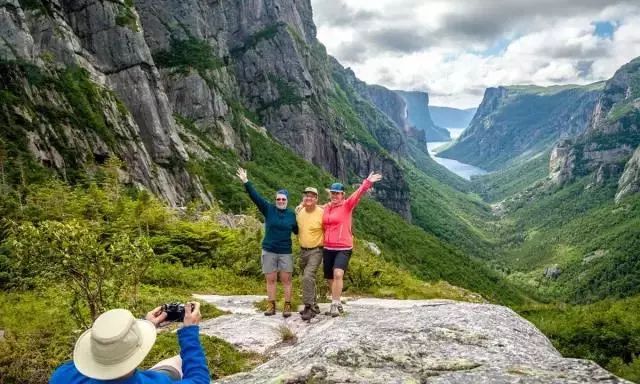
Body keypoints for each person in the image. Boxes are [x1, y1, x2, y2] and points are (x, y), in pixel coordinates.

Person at [49, 302, 209, 383]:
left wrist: (148, 325)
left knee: (167, 368)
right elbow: (199, 380)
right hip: (150, 378)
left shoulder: (62, 376)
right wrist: (190, 332)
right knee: (179, 360)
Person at [236, 167, 298, 317]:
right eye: (278, 199)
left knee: (286, 280)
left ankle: (287, 306)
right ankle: (271, 305)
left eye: (283, 199)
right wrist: (246, 181)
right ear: (275, 200)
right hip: (269, 250)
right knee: (270, 279)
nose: (280, 201)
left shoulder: (292, 215)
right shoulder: (268, 209)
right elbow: (255, 197)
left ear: (287, 201)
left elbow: (297, 230)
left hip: (285, 251)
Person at [323, 172, 382, 317]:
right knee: (330, 277)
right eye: (333, 193)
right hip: (327, 247)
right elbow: (313, 209)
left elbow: (358, 194)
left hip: (343, 247)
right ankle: (337, 300)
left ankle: (334, 304)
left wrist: (367, 182)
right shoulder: (326, 207)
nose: (335, 195)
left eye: (338, 193)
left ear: (343, 195)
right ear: (330, 194)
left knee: (338, 274)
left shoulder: (347, 205)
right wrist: (302, 207)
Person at [295, 187, 324, 321]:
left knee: (307, 276)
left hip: (316, 250)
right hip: (303, 250)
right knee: (309, 278)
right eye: (306, 196)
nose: (309, 198)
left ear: (316, 199)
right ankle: (315, 305)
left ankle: (308, 307)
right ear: (303, 198)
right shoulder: (300, 212)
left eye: (312, 196)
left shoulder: (321, 213)